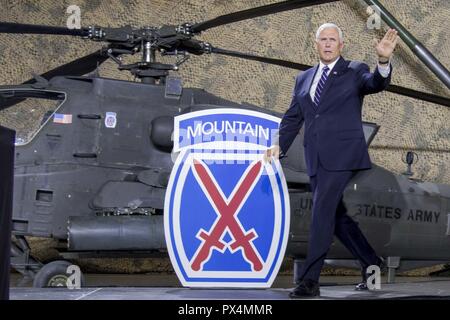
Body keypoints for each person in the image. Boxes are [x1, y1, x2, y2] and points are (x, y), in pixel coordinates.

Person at [264, 23, 398, 298]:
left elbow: (375, 83)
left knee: (321, 212)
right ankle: (371, 262)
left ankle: (310, 282)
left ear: (341, 45)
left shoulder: (355, 70)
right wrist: (279, 145)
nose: (327, 44)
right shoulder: (303, 79)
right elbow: (293, 117)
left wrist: (383, 61)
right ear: (316, 44)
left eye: (332, 40)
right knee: (335, 217)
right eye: (322, 39)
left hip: (343, 155)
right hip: (316, 157)